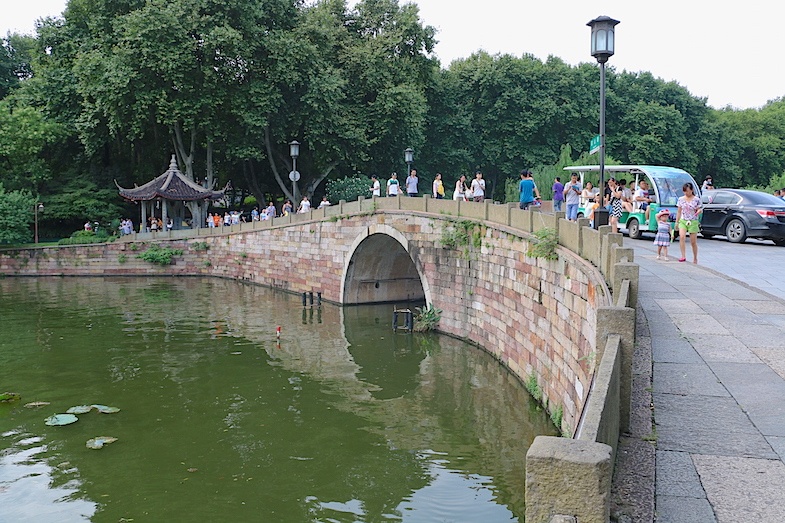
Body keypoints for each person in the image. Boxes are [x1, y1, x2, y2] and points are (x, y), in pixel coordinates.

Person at [676, 182, 702, 263]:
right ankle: (683, 256)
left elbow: (699, 209)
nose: (686, 193)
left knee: (693, 241)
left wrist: (699, 211)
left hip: (693, 220)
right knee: (682, 236)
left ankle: (695, 257)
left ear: (692, 190)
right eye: (685, 191)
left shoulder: (696, 200)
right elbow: (679, 211)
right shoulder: (681, 199)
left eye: (688, 191)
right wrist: (677, 222)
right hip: (683, 220)